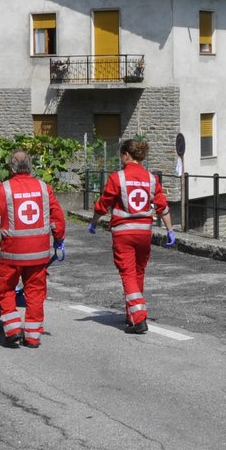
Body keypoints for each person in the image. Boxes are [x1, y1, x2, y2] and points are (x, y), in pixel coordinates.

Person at [0, 150, 66, 348]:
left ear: (11, 167)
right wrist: (59, 240)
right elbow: (58, 217)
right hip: (38, 254)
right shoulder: (44, 188)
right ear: (31, 165)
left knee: (3, 288)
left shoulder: (3, 189)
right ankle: (33, 337)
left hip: (12, 254)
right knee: (35, 292)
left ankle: (12, 330)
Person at [92, 138, 174, 334]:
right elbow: (162, 207)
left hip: (123, 234)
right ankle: (131, 315)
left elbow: (104, 203)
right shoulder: (152, 179)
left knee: (127, 273)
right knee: (138, 272)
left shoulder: (117, 178)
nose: (121, 159)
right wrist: (170, 230)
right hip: (144, 233)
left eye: (122, 155)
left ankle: (139, 319)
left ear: (126, 155)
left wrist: (94, 221)